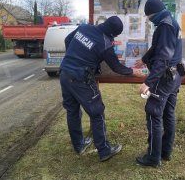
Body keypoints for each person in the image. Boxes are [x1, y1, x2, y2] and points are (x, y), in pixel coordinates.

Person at [59, 16, 142, 162]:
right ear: (112, 34)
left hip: (64, 72)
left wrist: (74, 58)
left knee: (72, 111)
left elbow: (67, 40)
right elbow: (116, 67)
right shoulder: (105, 43)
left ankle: (79, 145)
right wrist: (132, 71)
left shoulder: (84, 27)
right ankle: (104, 150)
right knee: (97, 113)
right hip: (81, 78)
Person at [135, 0, 184, 168]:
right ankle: (165, 151)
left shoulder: (164, 26)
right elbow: (158, 47)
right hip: (175, 76)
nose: (149, 20)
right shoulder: (170, 21)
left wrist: (148, 82)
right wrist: (144, 59)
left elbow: (163, 58)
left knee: (153, 114)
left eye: (148, 17)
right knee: (168, 114)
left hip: (163, 78)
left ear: (152, 13)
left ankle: (153, 157)